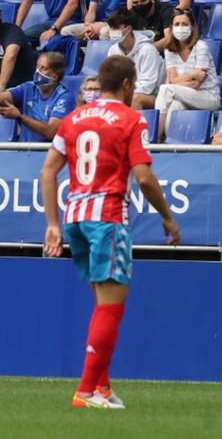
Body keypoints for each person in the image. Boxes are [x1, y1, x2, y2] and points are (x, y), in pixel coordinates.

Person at [39, 54, 180, 410]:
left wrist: (52, 224)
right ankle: (86, 391)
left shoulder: (73, 119)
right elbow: (144, 176)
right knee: (112, 306)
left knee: (102, 301)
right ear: (130, 85)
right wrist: (167, 217)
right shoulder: (131, 119)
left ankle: (101, 387)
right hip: (108, 217)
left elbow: (47, 172)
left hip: (75, 218)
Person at [154, 8, 219, 131]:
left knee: (165, 89)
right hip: (184, 95)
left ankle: (154, 137)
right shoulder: (169, 49)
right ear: (171, 28)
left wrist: (176, 82)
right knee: (175, 106)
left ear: (192, 27)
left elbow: (196, 84)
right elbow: (172, 80)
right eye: (177, 24)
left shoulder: (201, 47)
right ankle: (169, 142)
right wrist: (192, 74)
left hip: (208, 96)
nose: (180, 28)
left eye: (184, 24)